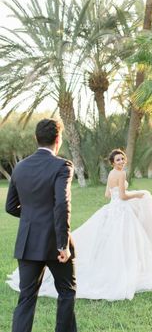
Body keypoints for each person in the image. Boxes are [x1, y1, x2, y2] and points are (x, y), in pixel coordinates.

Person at [7, 149, 152, 301]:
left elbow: (108, 194)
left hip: (112, 209)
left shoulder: (111, 174)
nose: (122, 161)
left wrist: (121, 195)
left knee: (111, 242)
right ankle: (120, 273)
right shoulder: (121, 175)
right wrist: (139, 194)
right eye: (118, 159)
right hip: (121, 211)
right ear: (113, 162)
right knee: (123, 242)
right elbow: (122, 196)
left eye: (123, 159)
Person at [5, 119, 77, 332]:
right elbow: (62, 205)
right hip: (56, 242)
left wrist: (32, 218)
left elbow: (10, 206)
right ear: (58, 139)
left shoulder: (20, 167)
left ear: (37, 139)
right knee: (66, 292)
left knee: (26, 297)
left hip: (27, 242)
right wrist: (63, 244)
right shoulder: (63, 166)